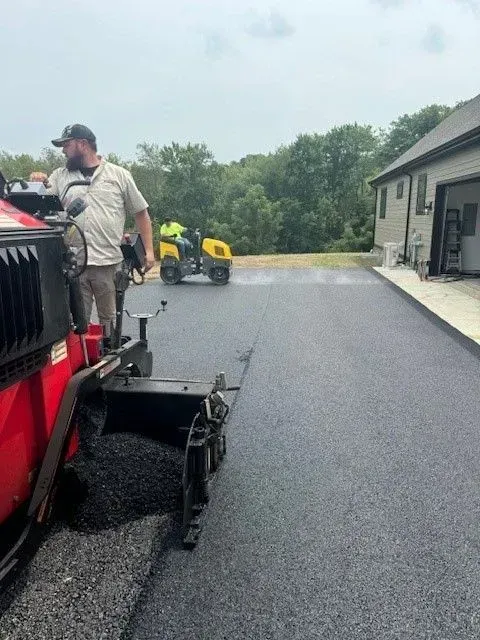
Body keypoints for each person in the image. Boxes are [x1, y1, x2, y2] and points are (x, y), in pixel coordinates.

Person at [30, 123, 155, 335]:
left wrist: (150, 252)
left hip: (107, 261)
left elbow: (141, 212)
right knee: (77, 321)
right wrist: (38, 183)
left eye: (66, 145)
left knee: (109, 318)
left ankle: (108, 355)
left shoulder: (118, 175)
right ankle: (84, 362)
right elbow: (40, 206)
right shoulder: (60, 176)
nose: (63, 150)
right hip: (73, 263)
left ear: (83, 144)